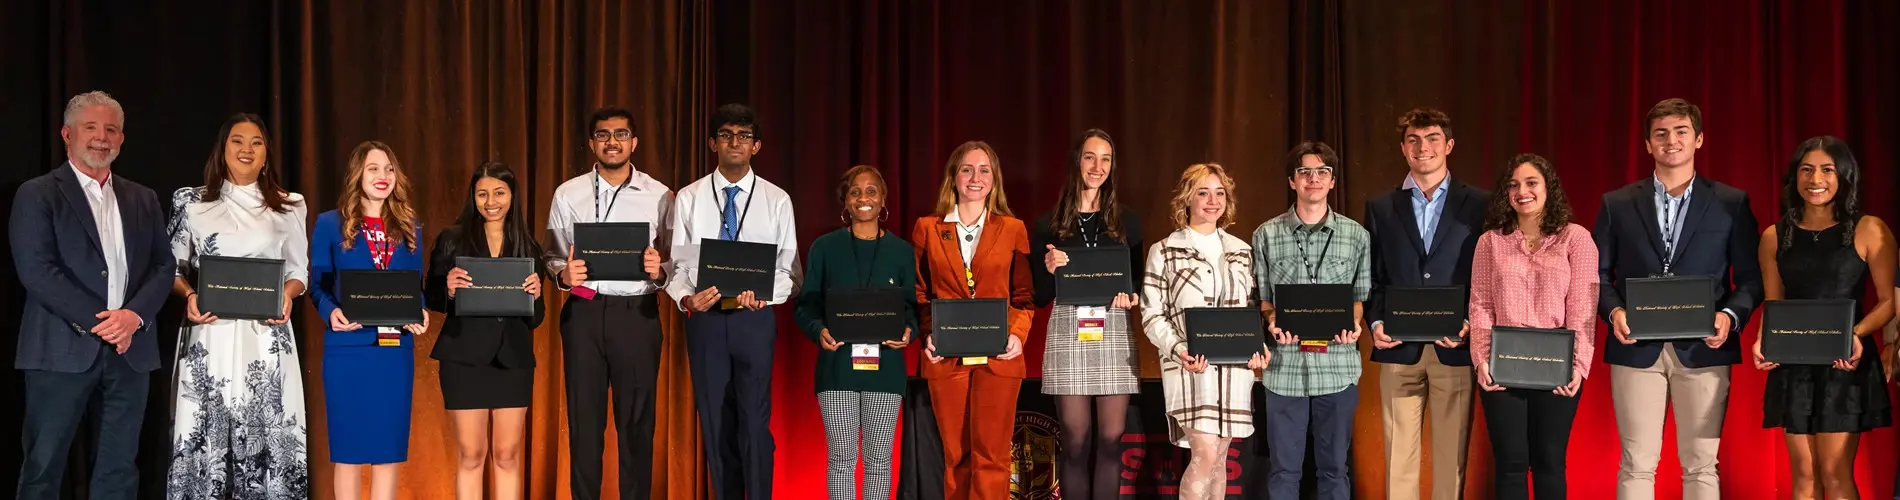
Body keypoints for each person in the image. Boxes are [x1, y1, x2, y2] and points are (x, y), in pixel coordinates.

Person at [1594, 98, 1763, 500]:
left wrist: (1729, 316)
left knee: (1702, 464)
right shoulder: (1616, 204)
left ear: (1699, 139)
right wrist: (1614, 311)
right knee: (1636, 464)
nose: (1671, 141)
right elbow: (1597, 276)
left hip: (1705, 348)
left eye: (1681, 131)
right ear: (1648, 144)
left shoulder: (1730, 203)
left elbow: (1752, 280)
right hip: (1636, 348)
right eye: (1661, 133)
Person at [12, 91, 176, 500]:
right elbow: (37, 271)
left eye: (111, 129)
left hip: (130, 352)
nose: (102, 138)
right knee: (43, 467)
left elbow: (163, 266)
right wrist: (105, 323)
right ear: (67, 134)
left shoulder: (143, 198)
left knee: (120, 471)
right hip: (59, 352)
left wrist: (133, 318)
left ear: (122, 138)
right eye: (91, 128)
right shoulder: (37, 194)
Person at [165, 112, 311, 498]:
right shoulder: (190, 201)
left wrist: (288, 293)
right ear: (222, 148)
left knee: (266, 432)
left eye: (256, 142)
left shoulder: (289, 204)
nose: (246, 149)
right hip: (209, 333)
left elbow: (299, 270)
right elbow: (170, 268)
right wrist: (190, 296)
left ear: (267, 154)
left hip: (265, 335)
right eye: (237, 141)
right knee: (205, 430)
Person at [667, 103, 800, 500]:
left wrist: (762, 295)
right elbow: (676, 266)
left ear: (756, 146)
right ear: (713, 143)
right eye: (726, 135)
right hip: (706, 319)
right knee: (715, 422)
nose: (735, 143)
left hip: (752, 320)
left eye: (744, 136)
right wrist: (688, 298)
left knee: (754, 423)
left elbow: (790, 273)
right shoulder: (689, 198)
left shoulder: (777, 200)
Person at [1752, 136, 1895, 500]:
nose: (1816, 179)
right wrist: (1762, 340)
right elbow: (1774, 305)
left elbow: (1889, 301)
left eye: (1827, 169)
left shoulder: (1870, 230)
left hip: (1844, 362)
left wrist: (1856, 333)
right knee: (1803, 477)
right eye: (1806, 169)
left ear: (1844, 176)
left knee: (1834, 474)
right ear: (1794, 178)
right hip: (1794, 365)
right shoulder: (1774, 236)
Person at [544, 106, 672, 500]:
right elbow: (551, 255)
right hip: (584, 312)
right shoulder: (568, 193)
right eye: (603, 135)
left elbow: (674, 260)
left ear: (634, 142)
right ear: (591, 143)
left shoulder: (660, 195)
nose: (612, 141)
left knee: (637, 426)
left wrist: (660, 270)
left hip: (636, 316)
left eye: (620, 134)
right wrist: (562, 276)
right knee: (584, 425)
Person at [1363, 108, 1486, 500]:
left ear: (1448, 145)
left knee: (1452, 460)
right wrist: (1376, 323)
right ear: (1403, 148)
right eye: (1413, 140)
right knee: (1398, 457)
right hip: (1399, 349)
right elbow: (1373, 277)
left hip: (1456, 346)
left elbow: (1487, 276)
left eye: (1432, 138)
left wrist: (1470, 321)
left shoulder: (1480, 204)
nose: (1423, 147)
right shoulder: (1381, 207)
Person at [1468, 154, 1597, 500]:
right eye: (1513, 185)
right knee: (1510, 463)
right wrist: (1481, 358)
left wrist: (1579, 365)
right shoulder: (1489, 243)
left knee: (1549, 461)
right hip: (1502, 364)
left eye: (1530, 183)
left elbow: (1583, 308)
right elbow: (1480, 304)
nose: (1521, 191)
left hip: (1556, 364)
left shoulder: (1576, 239)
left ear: (1548, 187)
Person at [911, 140, 1034, 500]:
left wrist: (1017, 335)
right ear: (954, 177)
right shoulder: (928, 229)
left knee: (992, 456)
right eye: (967, 169)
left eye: (984, 170)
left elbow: (1024, 295)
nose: (975, 177)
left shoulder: (1013, 229)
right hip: (947, 357)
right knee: (956, 456)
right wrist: (929, 335)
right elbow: (920, 294)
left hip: (999, 357)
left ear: (994, 180)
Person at [1138, 163, 1269, 500]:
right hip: (1189, 369)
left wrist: (1260, 348)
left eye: (1219, 193)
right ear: (1187, 198)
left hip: (1235, 372)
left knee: (1220, 458)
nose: (1213, 201)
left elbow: (1253, 311)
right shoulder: (1164, 250)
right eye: (1203, 192)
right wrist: (1179, 349)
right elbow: (1152, 314)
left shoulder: (1242, 251)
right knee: (1205, 454)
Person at [1028, 129, 1145, 499]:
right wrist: (1047, 269)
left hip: (1113, 329)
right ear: (1076, 162)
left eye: (1106, 159)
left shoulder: (1129, 221)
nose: (1098, 167)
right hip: (1068, 328)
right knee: (1076, 442)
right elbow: (1041, 297)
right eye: (1090, 157)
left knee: (1111, 441)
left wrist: (1133, 297)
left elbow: (1137, 284)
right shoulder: (1047, 224)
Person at [310, 140, 429, 500]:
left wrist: (420, 310)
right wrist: (331, 312)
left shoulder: (410, 226)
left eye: (389, 169)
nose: (383, 176)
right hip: (348, 348)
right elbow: (317, 283)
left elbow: (415, 285)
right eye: (373, 168)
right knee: (347, 451)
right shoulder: (330, 224)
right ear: (357, 174)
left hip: (394, 351)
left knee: (387, 452)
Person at [1252, 141, 1370, 500]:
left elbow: (1359, 299)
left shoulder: (1356, 236)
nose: (1313, 179)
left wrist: (1355, 323)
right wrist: (1272, 321)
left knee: (1335, 471)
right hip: (1284, 369)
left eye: (1322, 172)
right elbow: (1264, 300)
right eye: (1305, 172)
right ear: (1292, 181)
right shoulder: (1266, 234)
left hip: (1337, 368)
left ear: (1333, 181)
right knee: (1283, 471)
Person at [794, 165, 916, 500]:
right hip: (837, 370)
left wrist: (908, 331)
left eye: (871, 191)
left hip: (886, 370)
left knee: (879, 460)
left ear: (883, 199)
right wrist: (818, 331)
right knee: (841, 460)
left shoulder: (902, 251)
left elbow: (912, 308)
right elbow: (806, 306)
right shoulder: (824, 248)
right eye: (855, 191)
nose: (864, 198)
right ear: (845, 201)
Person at [428, 162, 546, 499]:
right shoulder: (452, 239)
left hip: (513, 360)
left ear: (512, 196)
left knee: (508, 456)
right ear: (473, 198)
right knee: (471, 455)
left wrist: (537, 296)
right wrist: (447, 287)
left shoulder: (528, 245)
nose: (490, 201)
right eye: (482, 194)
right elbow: (431, 295)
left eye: (499, 193)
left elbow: (535, 318)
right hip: (464, 358)